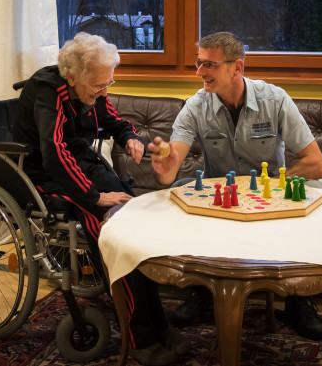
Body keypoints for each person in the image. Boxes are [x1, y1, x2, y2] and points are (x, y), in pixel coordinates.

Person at [14, 32, 190, 366]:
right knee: (117, 237)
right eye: (99, 85)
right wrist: (94, 198)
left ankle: (159, 325)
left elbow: (112, 119)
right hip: (49, 177)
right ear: (72, 77)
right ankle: (140, 338)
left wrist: (130, 137)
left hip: (83, 165)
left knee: (137, 228)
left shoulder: (91, 87)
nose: (104, 90)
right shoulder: (47, 90)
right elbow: (53, 154)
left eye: (108, 83)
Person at [148, 31, 322, 340]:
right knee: (179, 187)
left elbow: (316, 164)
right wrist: (165, 167)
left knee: (307, 201)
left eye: (209, 64)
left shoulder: (275, 100)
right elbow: (170, 166)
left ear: (237, 67)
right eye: (198, 62)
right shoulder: (195, 106)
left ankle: (299, 299)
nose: (199, 72)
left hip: (270, 196)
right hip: (222, 200)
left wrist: (274, 182)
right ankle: (200, 290)